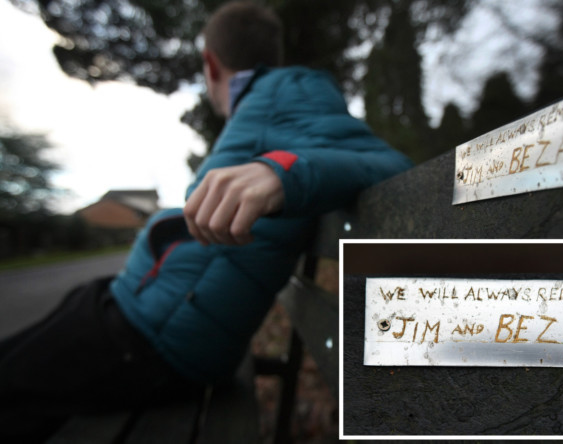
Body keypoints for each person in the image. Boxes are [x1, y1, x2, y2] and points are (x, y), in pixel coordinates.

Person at [0, 1, 412, 442]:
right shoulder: (271, 99)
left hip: (156, 341)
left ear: (210, 64)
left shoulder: (291, 89)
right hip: (144, 313)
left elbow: (391, 167)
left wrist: (282, 170)